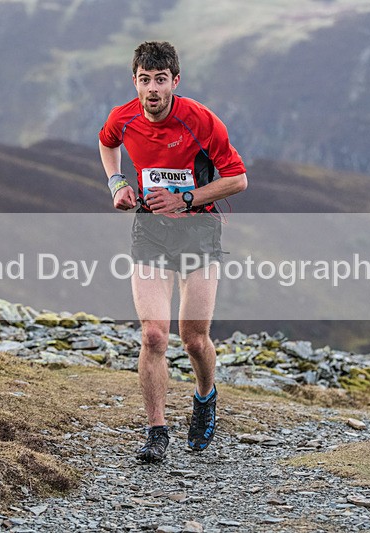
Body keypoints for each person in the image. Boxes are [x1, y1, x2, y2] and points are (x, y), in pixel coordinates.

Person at [99, 41, 247, 463]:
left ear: (175, 82)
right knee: (153, 334)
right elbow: (106, 143)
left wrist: (187, 198)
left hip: (198, 230)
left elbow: (237, 179)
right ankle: (156, 431)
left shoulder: (200, 120)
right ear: (135, 81)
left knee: (194, 339)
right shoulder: (123, 118)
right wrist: (117, 183)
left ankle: (205, 397)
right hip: (150, 229)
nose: (152, 89)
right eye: (144, 80)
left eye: (160, 80)